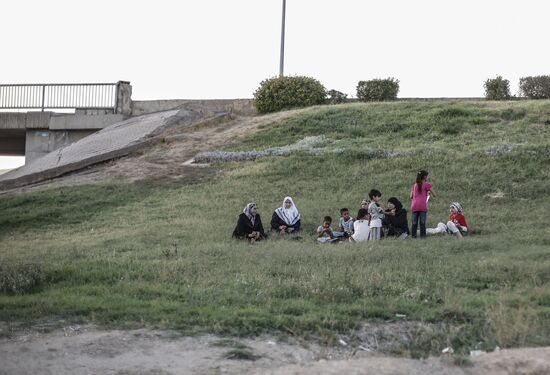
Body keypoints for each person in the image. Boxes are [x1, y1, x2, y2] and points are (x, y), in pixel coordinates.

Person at [410, 170, 436, 238]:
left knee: (414, 223)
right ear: (424, 177)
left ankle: (413, 236)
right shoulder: (426, 184)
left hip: (414, 206)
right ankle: (423, 236)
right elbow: (434, 194)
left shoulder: (414, 185)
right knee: (422, 222)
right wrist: (428, 193)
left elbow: (411, 196)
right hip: (422, 206)